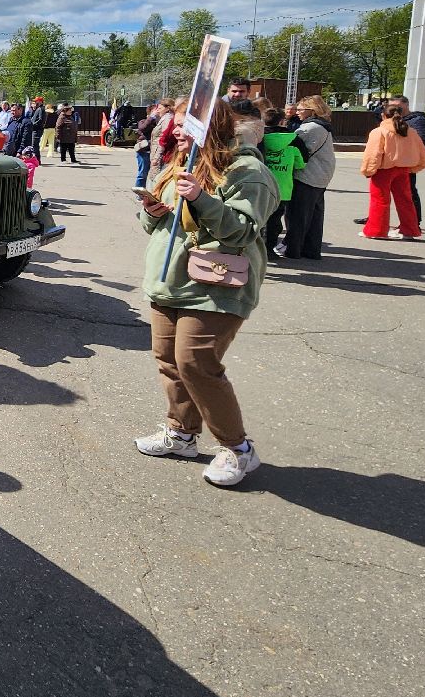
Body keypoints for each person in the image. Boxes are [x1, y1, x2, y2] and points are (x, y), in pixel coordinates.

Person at [134, 102, 277, 487]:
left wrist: (201, 198)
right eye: (176, 124)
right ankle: (181, 434)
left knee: (196, 363)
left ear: (211, 127)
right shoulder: (178, 162)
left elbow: (243, 231)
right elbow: (153, 225)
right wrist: (152, 209)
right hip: (169, 281)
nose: (176, 131)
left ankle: (238, 450)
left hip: (216, 285)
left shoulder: (248, 172)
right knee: (169, 361)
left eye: (185, 125)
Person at [354, 95, 425, 227]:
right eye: (391, 107)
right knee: (393, 198)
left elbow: (423, 144)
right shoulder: (391, 127)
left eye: (398, 107)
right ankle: (405, 226)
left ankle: (409, 224)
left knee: (402, 197)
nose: (395, 109)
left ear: (406, 105)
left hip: (398, 165)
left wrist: (369, 170)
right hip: (399, 165)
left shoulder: (416, 122)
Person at [282, 95, 335, 260]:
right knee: (315, 216)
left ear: (312, 110)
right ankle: (311, 250)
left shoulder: (310, 128)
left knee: (298, 214)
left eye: (300, 109)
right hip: (321, 176)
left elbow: (295, 149)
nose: (296, 112)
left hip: (308, 176)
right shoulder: (323, 126)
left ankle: (293, 250)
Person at [260, 108, 304, 258]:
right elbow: (301, 164)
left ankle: (256, 248)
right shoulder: (293, 140)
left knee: (259, 218)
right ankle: (270, 248)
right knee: (274, 220)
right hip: (282, 188)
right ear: (282, 121)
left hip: (262, 185)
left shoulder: (259, 137)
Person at [134, 102, 162, 188]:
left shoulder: (159, 123)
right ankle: (139, 192)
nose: (158, 112)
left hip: (155, 152)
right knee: (143, 174)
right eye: (155, 111)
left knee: (154, 173)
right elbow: (143, 128)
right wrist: (151, 118)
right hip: (144, 151)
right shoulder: (143, 121)